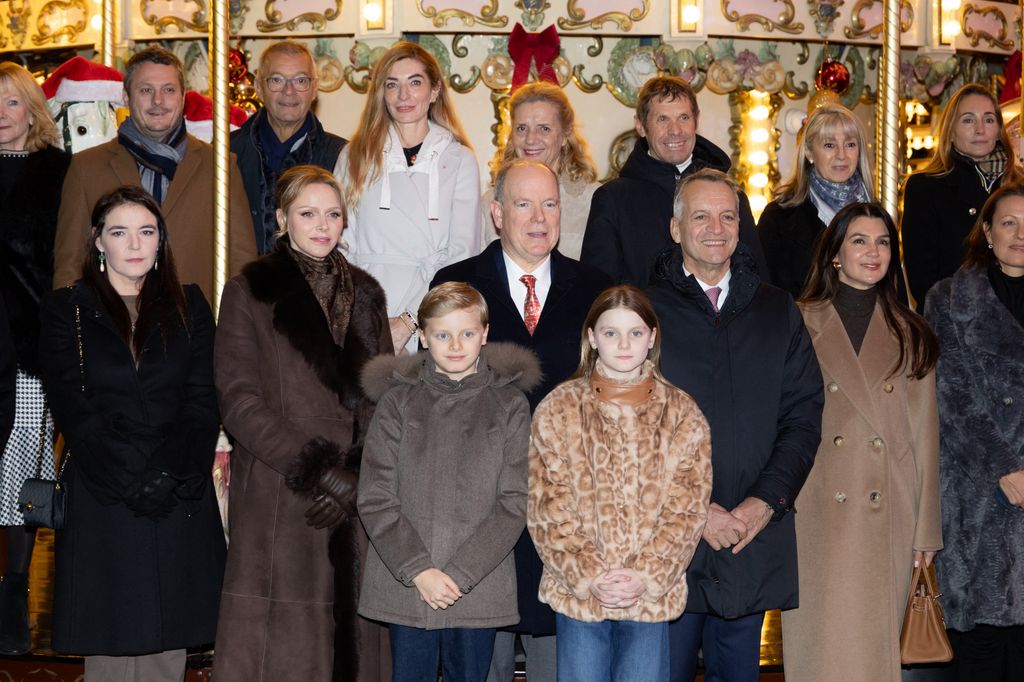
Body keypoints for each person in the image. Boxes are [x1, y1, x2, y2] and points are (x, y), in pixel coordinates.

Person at [431, 159, 611, 682]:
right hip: (480, 511)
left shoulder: (595, 289)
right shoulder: (457, 285)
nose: (539, 218)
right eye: (524, 204)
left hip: (567, 510)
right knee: (480, 659)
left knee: (561, 663)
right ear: (496, 213)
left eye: (549, 204)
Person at [38, 186, 226, 680]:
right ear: (98, 241)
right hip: (106, 494)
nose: (135, 244)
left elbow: (203, 399)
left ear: (161, 241)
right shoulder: (66, 309)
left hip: (177, 490)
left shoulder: (189, 304)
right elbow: (72, 407)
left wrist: (167, 473)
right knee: (111, 650)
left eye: (146, 231)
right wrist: (129, 477)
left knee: (168, 650)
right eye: (120, 232)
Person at [213, 165, 392, 681]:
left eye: (333, 214)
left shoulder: (367, 295)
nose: (322, 225)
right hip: (281, 491)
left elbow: (385, 399)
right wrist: (316, 469)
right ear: (281, 218)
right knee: (285, 653)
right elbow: (239, 401)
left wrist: (356, 471)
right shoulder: (250, 291)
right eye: (308, 213)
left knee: (351, 646)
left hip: (356, 499)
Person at [645, 168, 823, 682]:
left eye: (728, 216)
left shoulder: (775, 309)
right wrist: (695, 512)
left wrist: (764, 503)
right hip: (669, 538)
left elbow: (803, 415)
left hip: (750, 534)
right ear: (676, 228)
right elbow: (625, 426)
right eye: (700, 216)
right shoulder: (642, 311)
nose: (716, 228)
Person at [781, 203, 942, 681]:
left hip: (886, 510)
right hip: (815, 507)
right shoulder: (795, 321)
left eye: (883, 242)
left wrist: (926, 531)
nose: (873, 252)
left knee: (871, 657)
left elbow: (924, 436)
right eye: (859, 240)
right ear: (834, 254)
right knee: (819, 650)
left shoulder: (911, 331)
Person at [528, 285, 713, 682]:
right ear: (592, 338)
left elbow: (687, 508)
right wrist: (591, 575)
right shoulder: (558, 409)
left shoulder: (682, 414)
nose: (623, 344)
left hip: (648, 596)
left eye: (635, 332)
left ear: (652, 337)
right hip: (581, 595)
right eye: (610, 333)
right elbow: (547, 506)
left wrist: (644, 576)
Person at [358, 282, 539, 682]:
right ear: (422, 337)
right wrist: (418, 569)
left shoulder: (509, 405)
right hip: (407, 583)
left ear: (485, 334)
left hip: (477, 584)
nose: (455, 345)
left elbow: (515, 500)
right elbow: (375, 496)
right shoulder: (397, 402)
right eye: (442, 334)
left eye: (467, 333)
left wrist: (461, 573)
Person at [53, 46, 257, 301]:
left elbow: (241, 262)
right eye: (146, 90)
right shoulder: (87, 167)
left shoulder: (220, 166)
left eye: (168, 90)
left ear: (183, 97)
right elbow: (69, 264)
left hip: (197, 329)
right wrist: (75, 332)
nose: (158, 101)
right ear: (127, 98)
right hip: (114, 328)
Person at [923, 183, 1024, 682]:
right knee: (979, 651)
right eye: (1008, 222)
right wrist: (1006, 467)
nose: (1020, 234)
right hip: (976, 496)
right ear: (986, 231)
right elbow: (951, 395)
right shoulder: (948, 298)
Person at [336, 41, 480, 354]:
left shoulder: (459, 159)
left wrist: (411, 319)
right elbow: (342, 247)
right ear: (381, 93)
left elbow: (462, 253)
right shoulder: (354, 156)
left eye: (415, 82)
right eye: (393, 85)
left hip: (434, 313)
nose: (404, 95)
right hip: (366, 310)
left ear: (434, 90)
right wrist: (366, 319)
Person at [0, 60, 71, 655]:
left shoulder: (58, 170)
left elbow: (65, 258)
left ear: (32, 109)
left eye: (12, 102)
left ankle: (15, 591)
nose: (2, 114)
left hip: (27, 340)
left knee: (22, 469)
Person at [581, 76, 767, 287]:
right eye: (662, 119)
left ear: (696, 121)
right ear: (641, 126)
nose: (675, 130)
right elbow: (598, 290)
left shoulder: (729, 196)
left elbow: (756, 279)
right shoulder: (613, 200)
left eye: (683, 118)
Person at [902, 83, 1021, 307]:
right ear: (951, 131)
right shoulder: (925, 188)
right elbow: (923, 281)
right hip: (954, 323)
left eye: (988, 119)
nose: (980, 129)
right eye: (968, 120)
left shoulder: (1019, 186)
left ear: (998, 130)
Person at [232, 40, 347, 255]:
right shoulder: (227, 153)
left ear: (314, 89)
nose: (289, 91)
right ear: (258, 88)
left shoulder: (341, 156)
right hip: (241, 283)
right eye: (277, 80)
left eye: (301, 81)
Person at [758, 104, 875, 298]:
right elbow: (768, 297)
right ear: (809, 153)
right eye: (829, 145)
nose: (841, 155)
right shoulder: (779, 218)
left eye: (850, 144)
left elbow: (893, 296)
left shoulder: (875, 215)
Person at [482, 82, 600, 259]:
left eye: (544, 129)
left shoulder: (594, 200)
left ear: (565, 135)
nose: (530, 139)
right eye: (522, 128)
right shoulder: (491, 201)